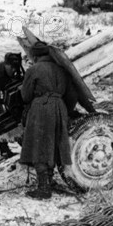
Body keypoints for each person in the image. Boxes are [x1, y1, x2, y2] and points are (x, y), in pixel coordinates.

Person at [20, 41, 77, 200]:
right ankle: (49, 181)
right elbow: (72, 95)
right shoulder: (62, 70)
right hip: (60, 107)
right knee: (53, 145)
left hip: (41, 108)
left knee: (39, 146)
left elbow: (25, 96)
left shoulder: (34, 69)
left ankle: (44, 188)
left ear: (35, 56)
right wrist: (64, 109)